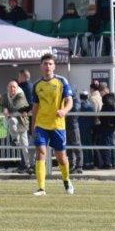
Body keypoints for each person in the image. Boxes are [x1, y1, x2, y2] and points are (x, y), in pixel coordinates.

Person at [29, 53, 75, 196]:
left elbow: (69, 101)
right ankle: (41, 188)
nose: (47, 66)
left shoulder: (61, 81)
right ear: (41, 66)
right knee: (41, 152)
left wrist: (64, 111)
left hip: (57, 125)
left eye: (50, 64)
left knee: (61, 157)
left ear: (54, 66)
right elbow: (35, 107)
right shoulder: (36, 85)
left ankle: (66, 180)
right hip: (41, 125)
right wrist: (33, 125)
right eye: (45, 64)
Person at [3, 80, 32, 172]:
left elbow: (17, 107)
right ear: (7, 88)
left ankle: (28, 165)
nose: (12, 89)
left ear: (17, 88)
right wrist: (4, 109)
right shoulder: (5, 96)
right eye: (10, 87)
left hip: (22, 122)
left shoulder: (20, 95)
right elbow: (2, 105)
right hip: (14, 120)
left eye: (14, 87)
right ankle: (15, 139)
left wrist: (8, 110)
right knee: (12, 120)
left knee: (25, 146)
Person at [95, 84, 115, 168]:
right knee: (112, 144)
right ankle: (112, 162)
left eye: (101, 92)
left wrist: (100, 116)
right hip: (111, 125)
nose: (100, 95)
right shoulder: (112, 99)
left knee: (106, 144)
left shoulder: (107, 100)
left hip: (107, 125)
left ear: (104, 91)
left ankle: (108, 163)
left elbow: (106, 113)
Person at [77, 92, 95, 169]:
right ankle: (90, 162)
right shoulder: (91, 106)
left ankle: (85, 162)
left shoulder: (79, 106)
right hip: (89, 128)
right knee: (89, 144)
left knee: (83, 145)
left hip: (81, 128)